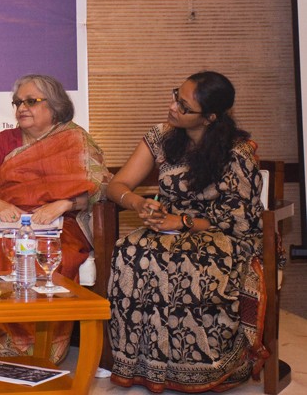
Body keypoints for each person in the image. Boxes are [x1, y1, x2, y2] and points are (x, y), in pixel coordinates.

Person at [0, 73, 109, 363]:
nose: (21, 108)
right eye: (17, 102)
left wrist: (63, 203)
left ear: (56, 106)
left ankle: (30, 348)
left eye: (31, 101)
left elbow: (100, 189)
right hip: (2, 219)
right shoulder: (6, 140)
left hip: (57, 224)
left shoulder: (74, 140)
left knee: (43, 251)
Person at [105, 71, 265, 392]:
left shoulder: (237, 152)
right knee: (129, 252)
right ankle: (140, 363)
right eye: (176, 95)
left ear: (209, 117)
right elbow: (116, 185)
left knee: (181, 263)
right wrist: (139, 204)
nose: (172, 106)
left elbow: (240, 218)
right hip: (165, 229)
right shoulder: (161, 136)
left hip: (223, 235)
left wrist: (183, 223)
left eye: (183, 105)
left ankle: (200, 366)